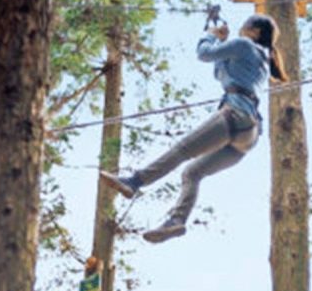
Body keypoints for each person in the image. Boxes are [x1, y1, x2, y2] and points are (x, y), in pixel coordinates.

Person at [101, 14, 283, 244]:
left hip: (234, 115)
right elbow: (220, 72)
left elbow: (203, 54)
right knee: (192, 173)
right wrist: (220, 42)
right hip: (248, 134)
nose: (240, 30)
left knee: (182, 149)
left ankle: (134, 182)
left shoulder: (245, 45)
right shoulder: (261, 59)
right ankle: (177, 221)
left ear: (254, 32)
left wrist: (210, 36)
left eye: (244, 27)